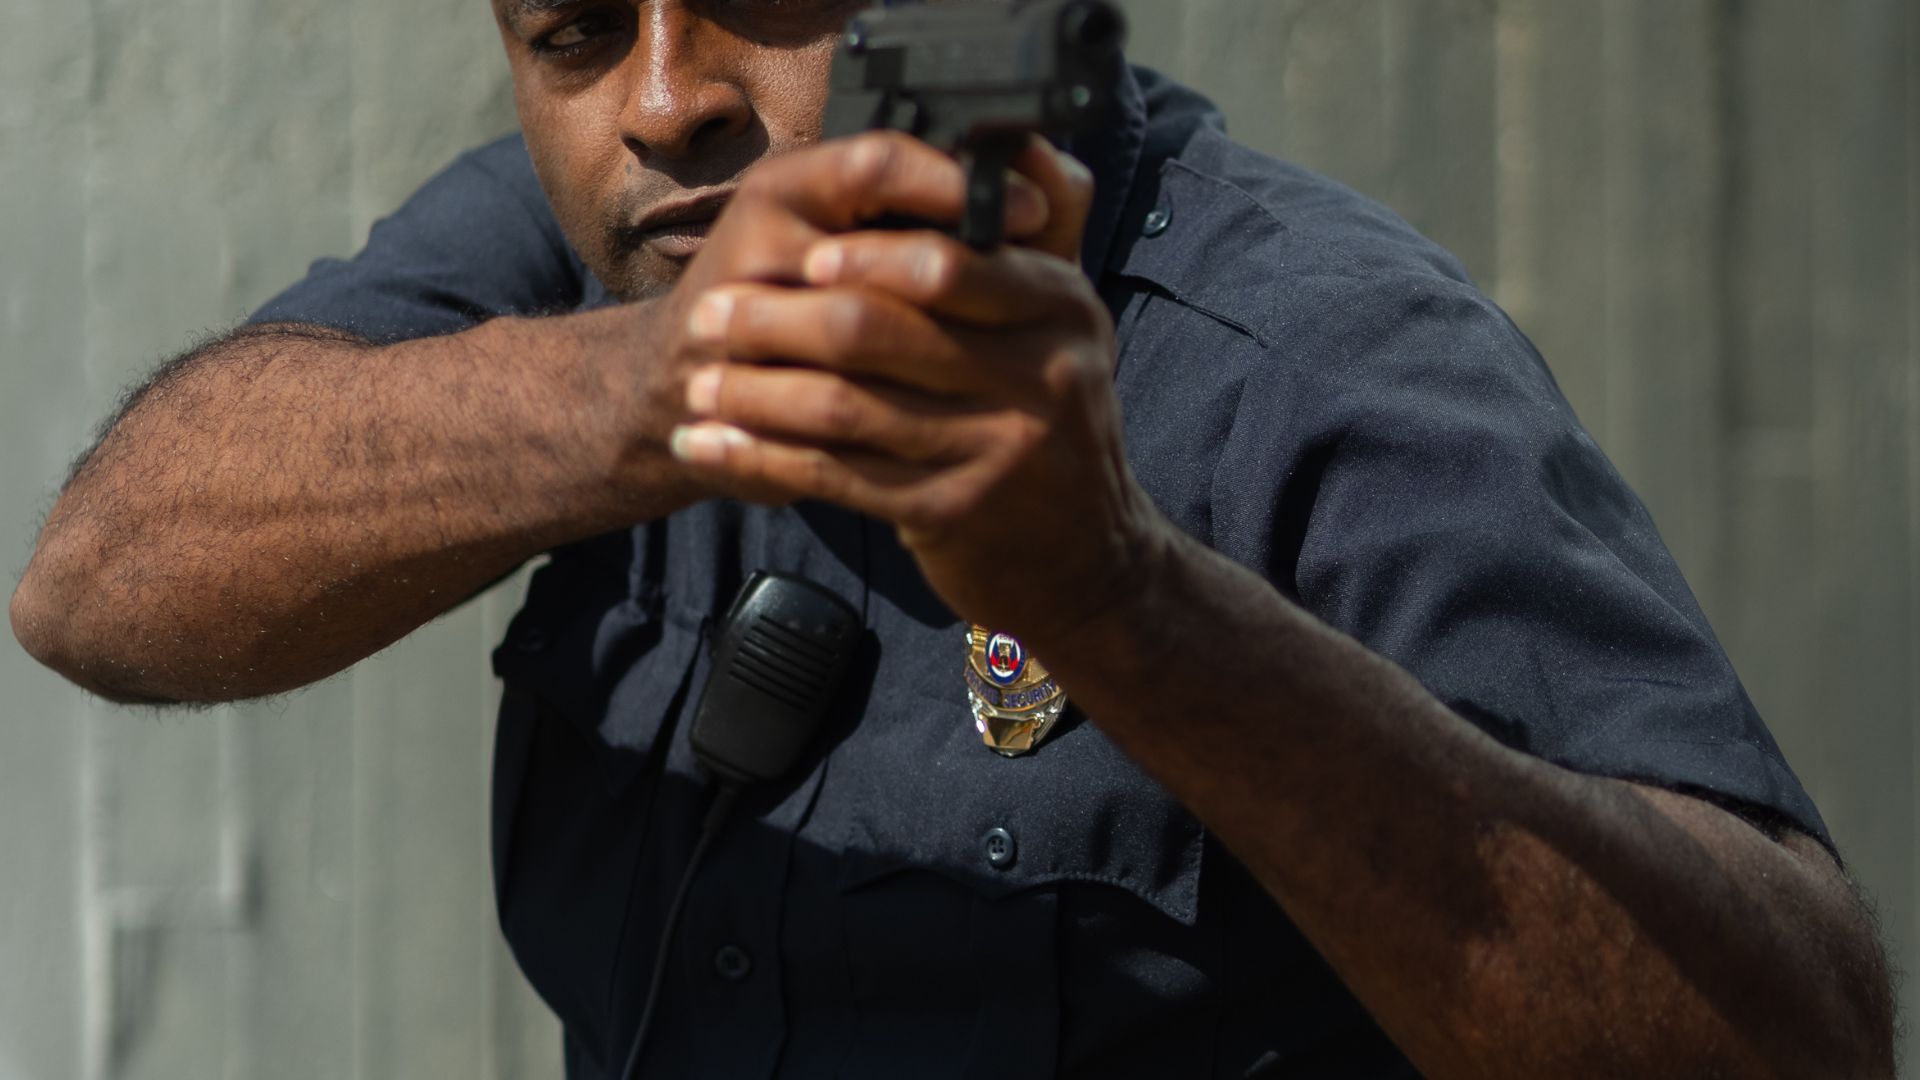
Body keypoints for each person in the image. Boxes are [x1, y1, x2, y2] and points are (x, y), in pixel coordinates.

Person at [8, 1, 1896, 1076]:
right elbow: (101, 577)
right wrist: (642, 388)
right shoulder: (617, 237)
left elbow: (1794, 1040)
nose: (665, 101)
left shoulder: (1315, 352)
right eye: (575, 32)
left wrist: (1125, 603)